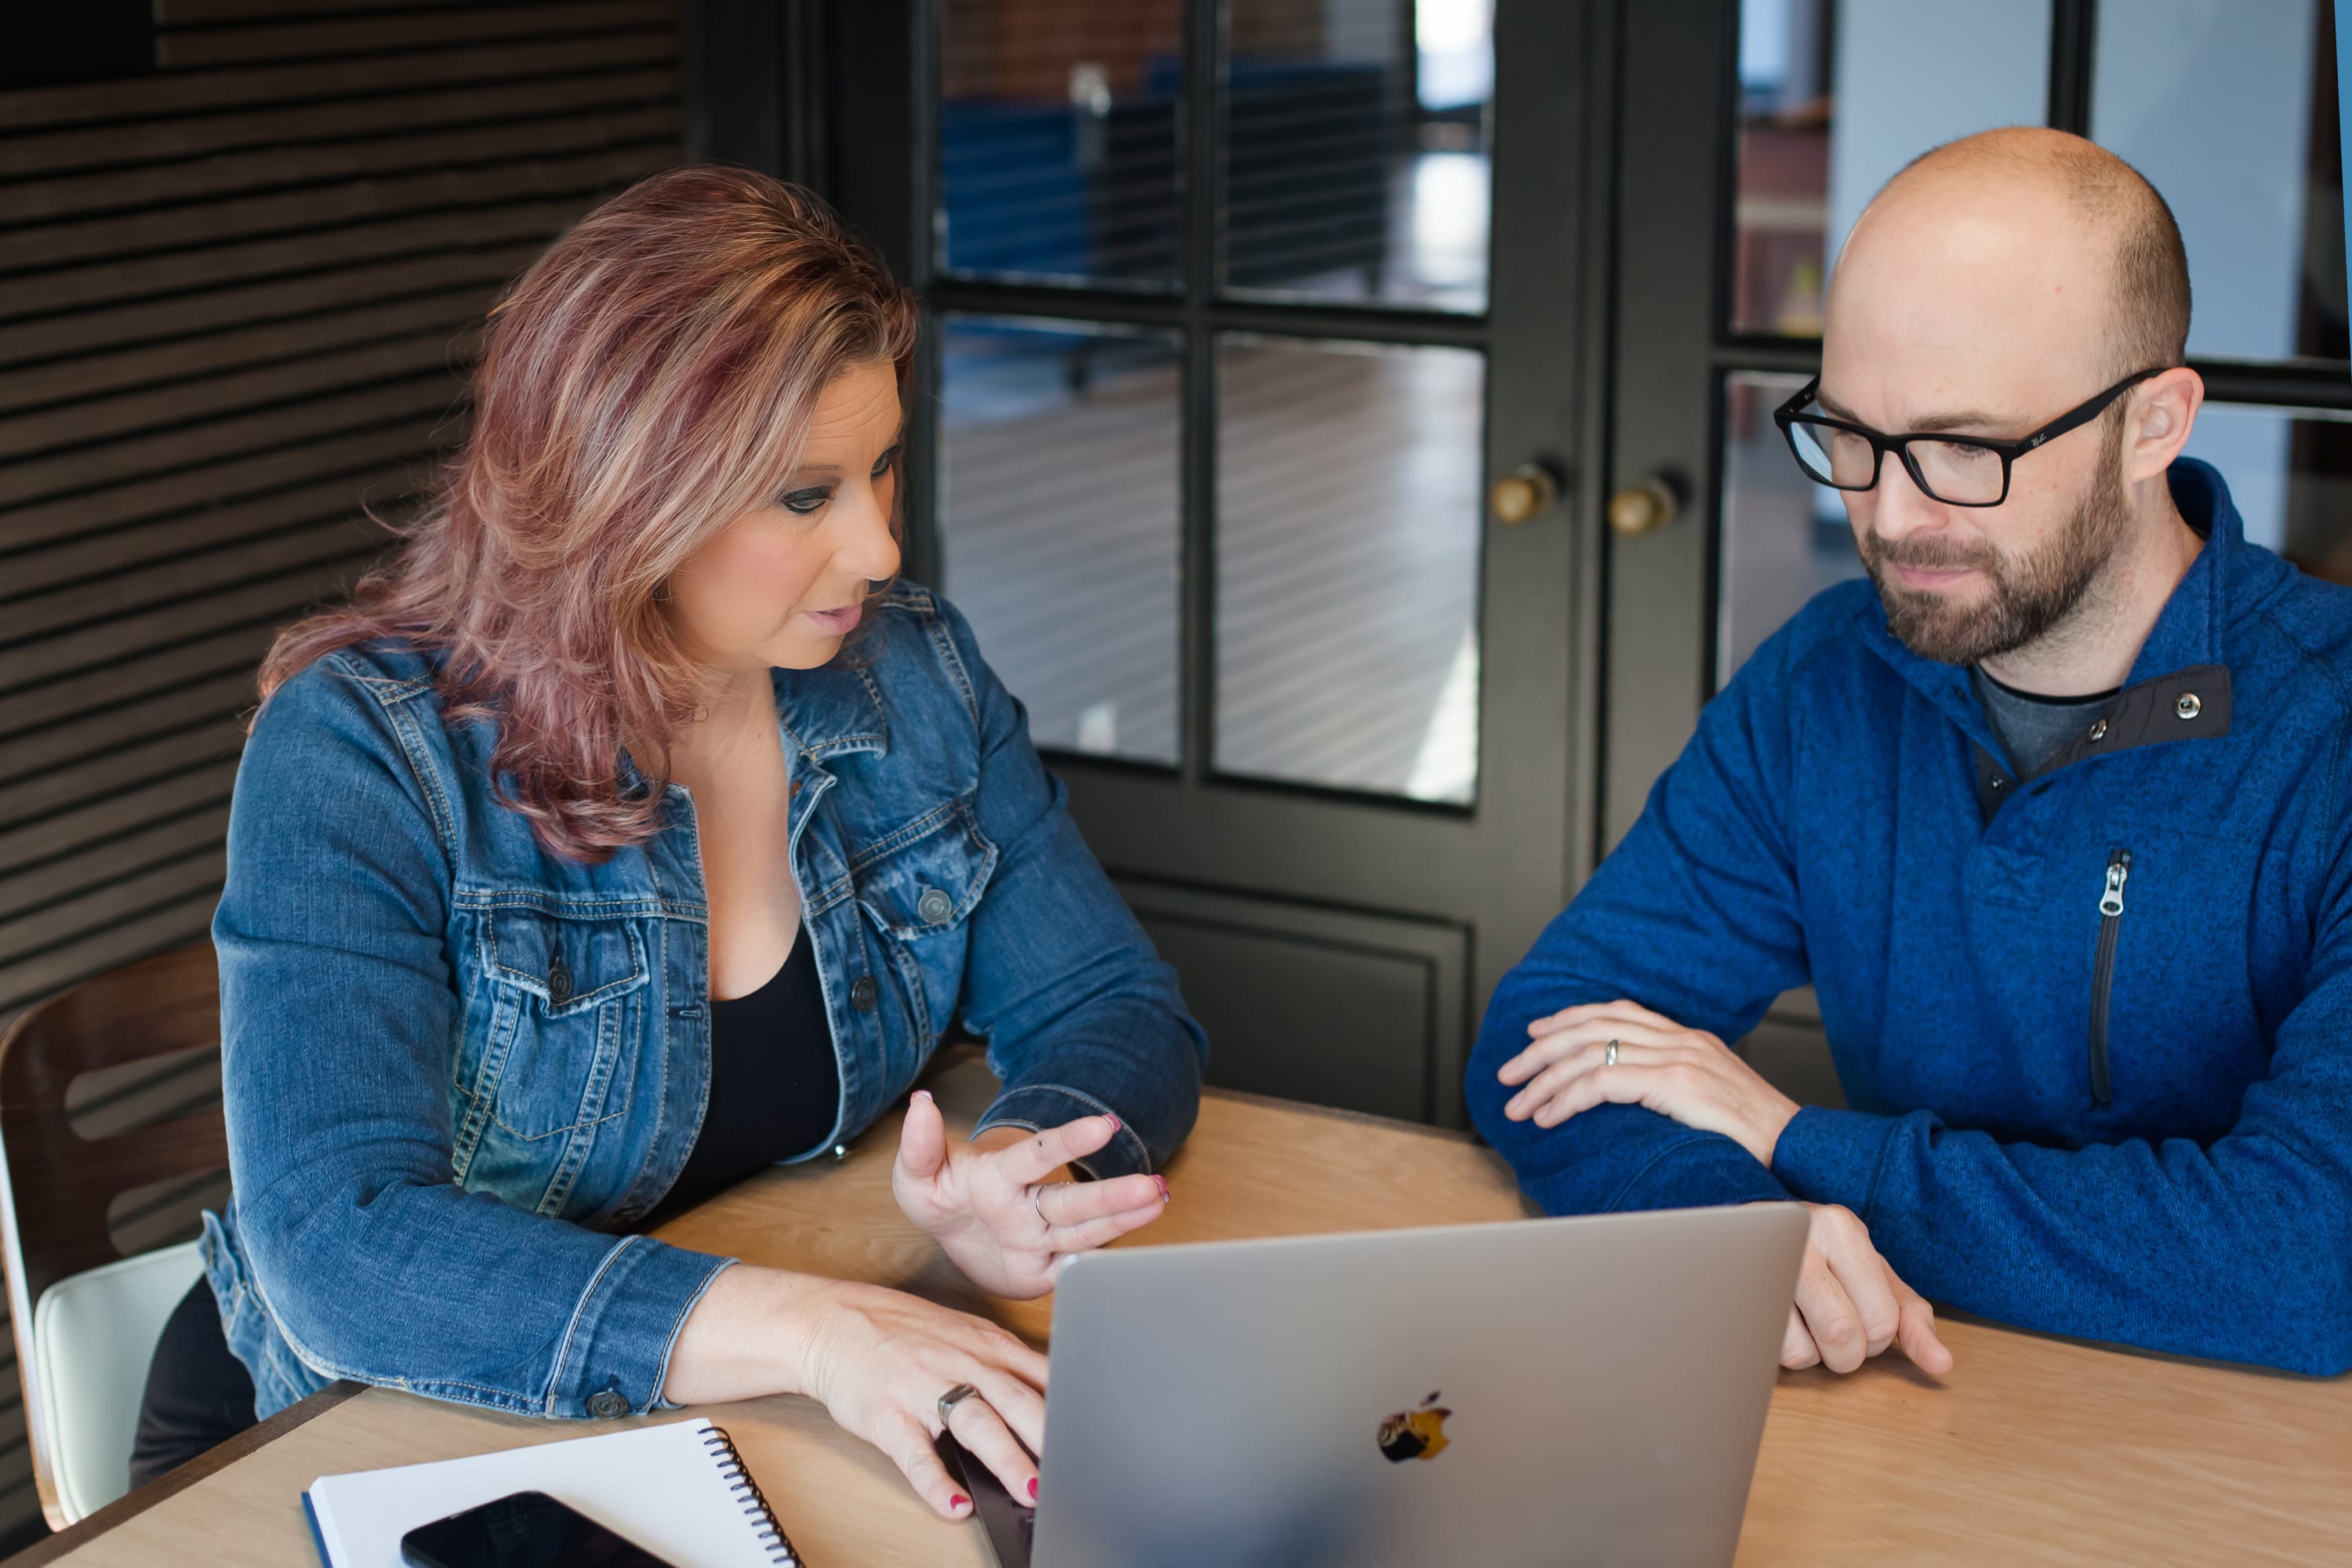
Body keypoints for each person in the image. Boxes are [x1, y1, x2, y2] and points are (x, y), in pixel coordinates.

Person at [130, 167, 1207, 1517]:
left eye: (881, 466)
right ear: (624, 498)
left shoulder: (915, 676)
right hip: (347, 1429)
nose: (878, 546)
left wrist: (1039, 1172)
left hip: (726, 1400)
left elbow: (1107, 1000)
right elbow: (338, 1247)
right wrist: (816, 1330)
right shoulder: (357, 753)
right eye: (804, 498)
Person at [1469, 126, 2352, 1378]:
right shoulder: (1827, 680)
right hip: (1908, 1399)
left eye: (1964, 451)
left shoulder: (2331, 732)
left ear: (2154, 425)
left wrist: (1797, 1145)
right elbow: (1551, 1030)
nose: (1887, 515)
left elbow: (2308, 1262)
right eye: (1851, 437)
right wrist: (1724, 1222)